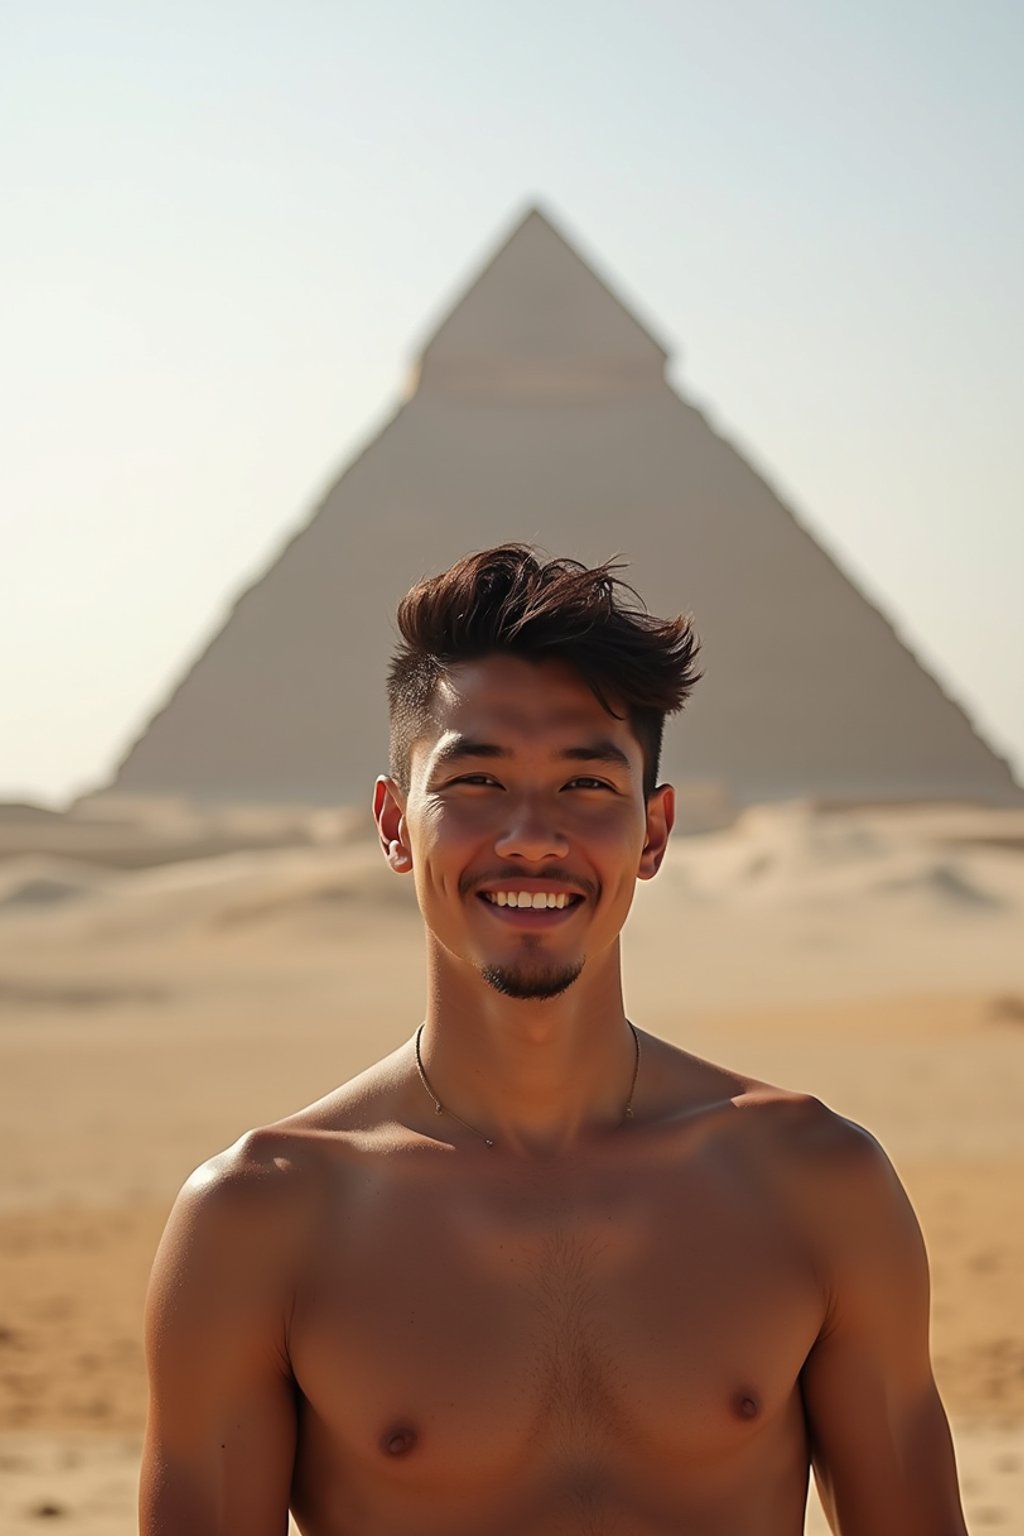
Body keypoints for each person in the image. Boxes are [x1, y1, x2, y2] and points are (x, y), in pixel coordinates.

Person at [140, 544, 968, 1535]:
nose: (531, 835)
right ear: (393, 823)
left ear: (653, 832)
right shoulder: (257, 1221)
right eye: (477, 782)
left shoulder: (817, 1184)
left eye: (585, 787)